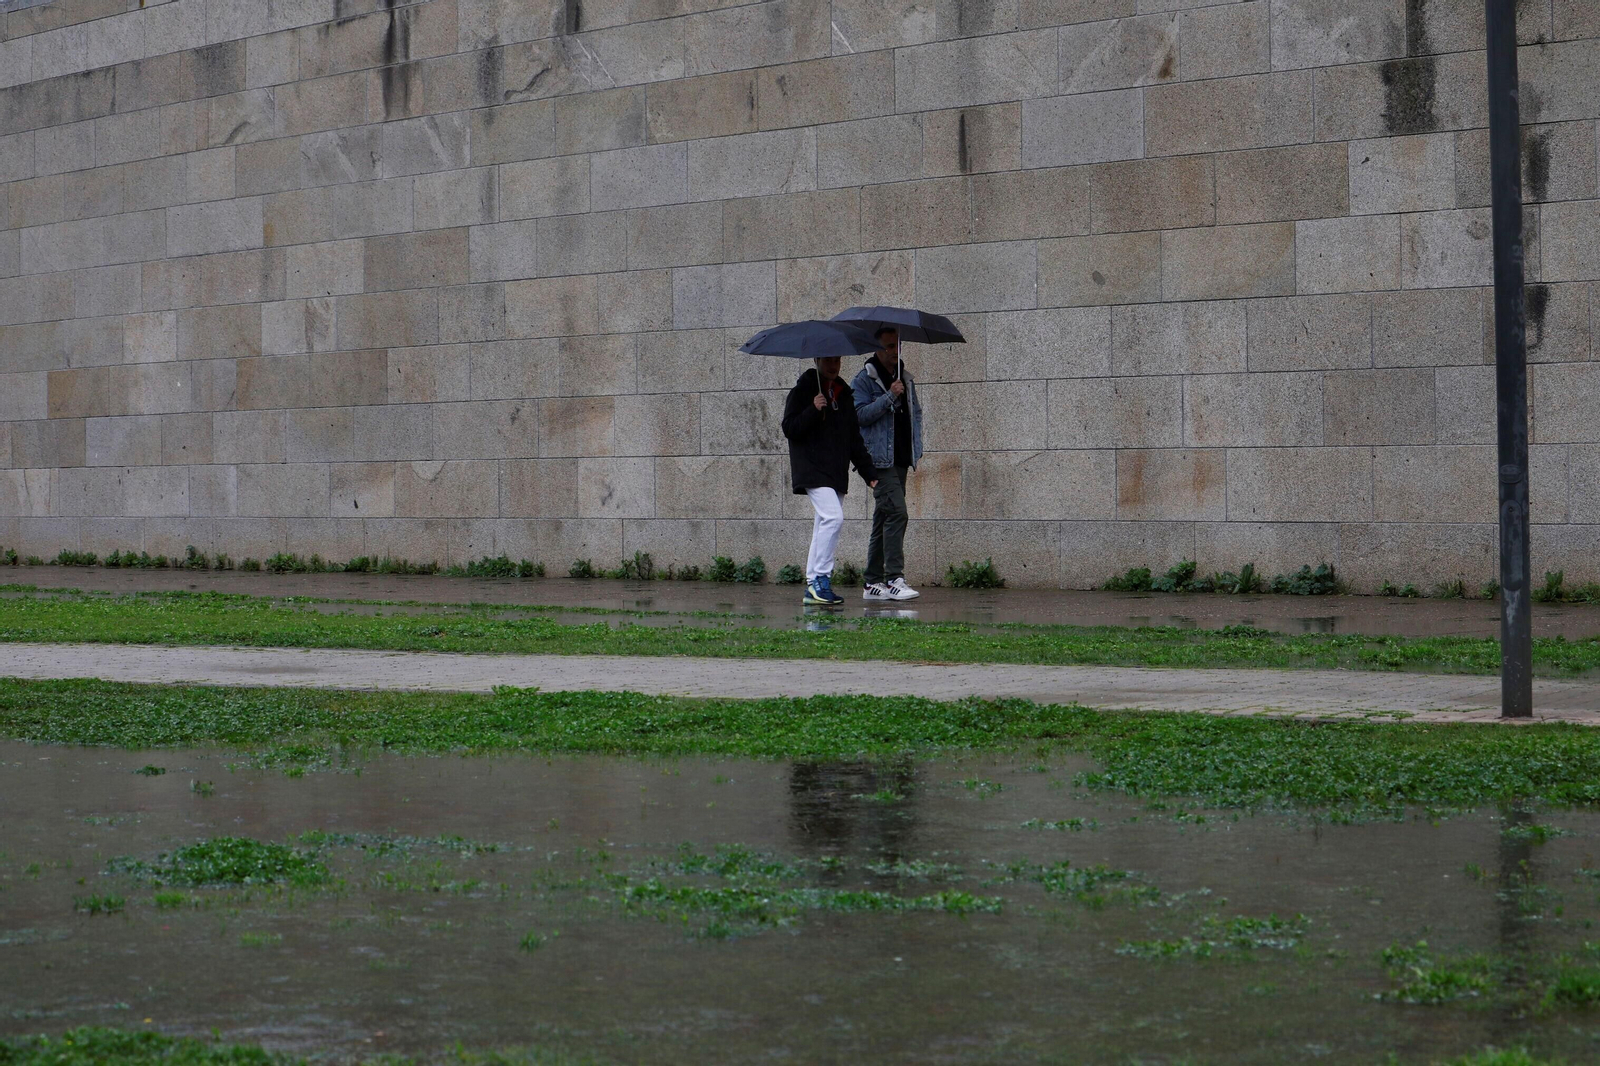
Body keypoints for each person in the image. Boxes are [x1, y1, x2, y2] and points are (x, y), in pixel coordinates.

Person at [781, 355, 878, 607]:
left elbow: (854, 438)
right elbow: (790, 428)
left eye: (837, 360)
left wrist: (870, 474)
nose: (833, 365)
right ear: (816, 360)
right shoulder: (803, 390)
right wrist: (813, 409)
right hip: (812, 468)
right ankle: (821, 578)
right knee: (833, 518)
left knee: (822, 524)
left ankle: (812, 584)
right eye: (828, 360)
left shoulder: (843, 394)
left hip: (836, 471)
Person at [851, 327, 923, 601]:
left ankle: (872, 583)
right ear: (877, 349)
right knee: (897, 514)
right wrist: (890, 396)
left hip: (900, 458)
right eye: (889, 346)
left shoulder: (904, 377)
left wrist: (916, 447)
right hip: (878, 460)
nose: (895, 351)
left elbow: (914, 414)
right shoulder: (864, 379)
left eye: (897, 345)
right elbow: (859, 416)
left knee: (884, 517)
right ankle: (894, 579)